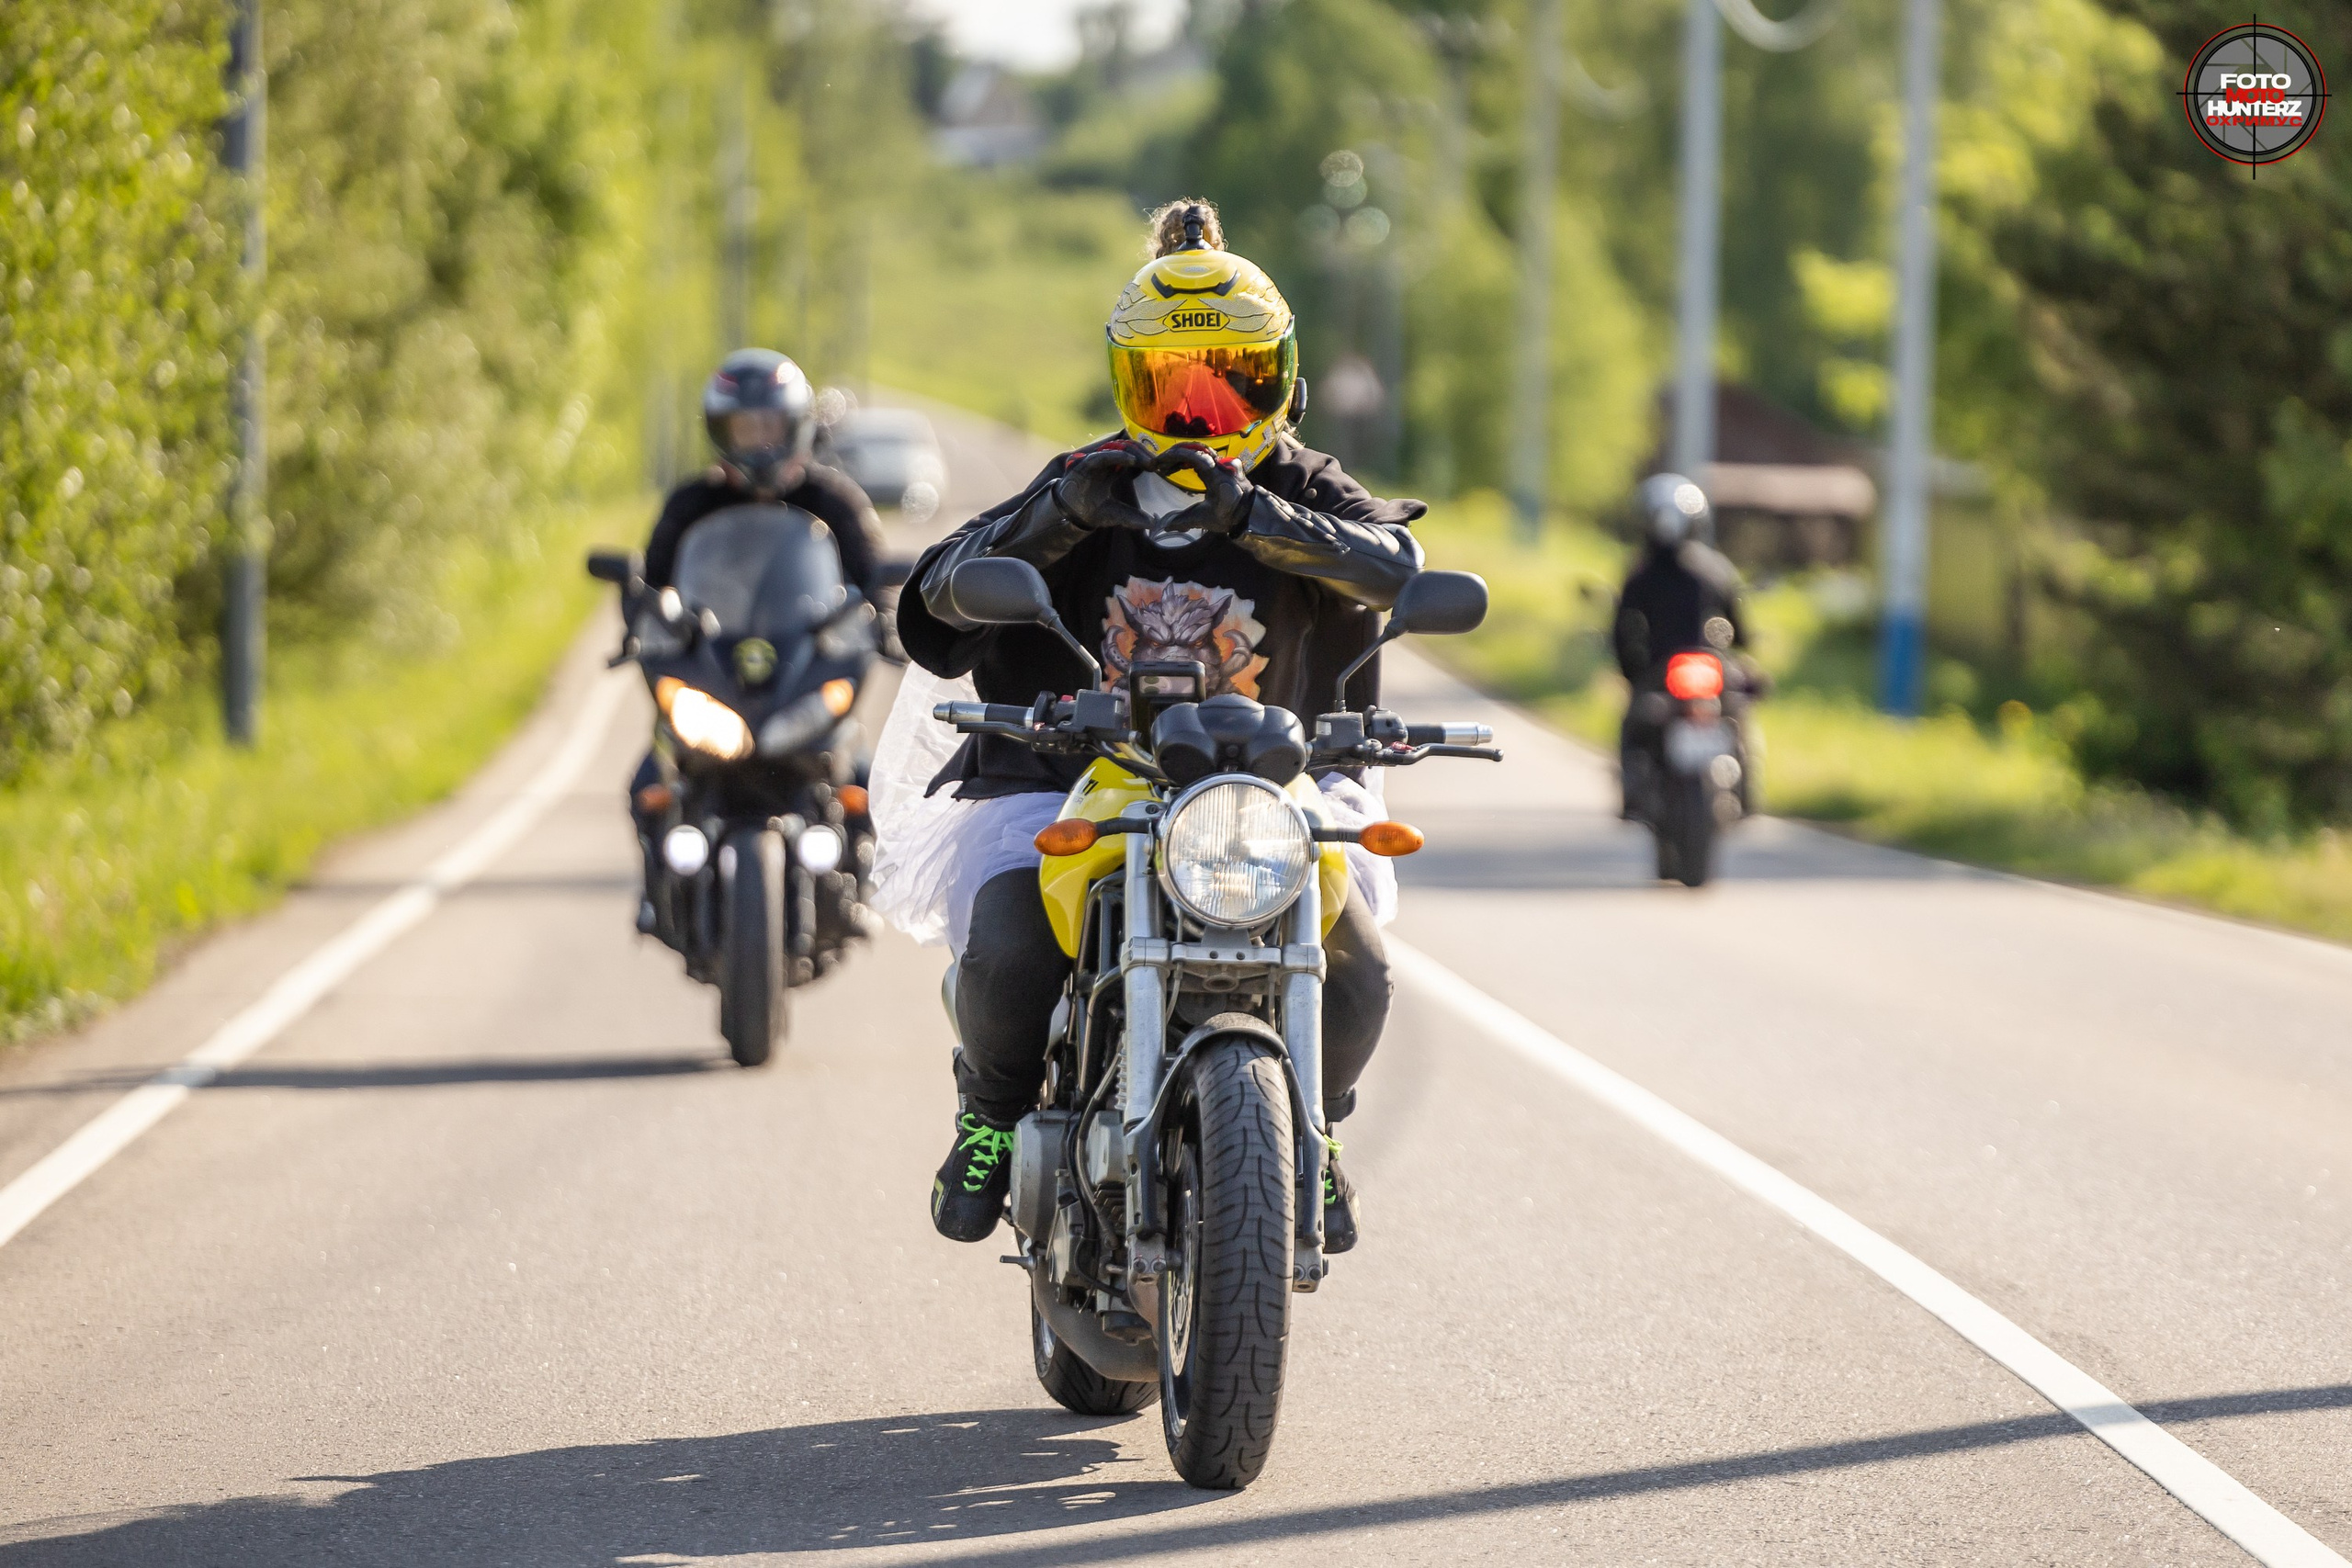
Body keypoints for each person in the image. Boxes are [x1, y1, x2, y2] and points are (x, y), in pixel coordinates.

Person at [891, 199, 1424, 1251]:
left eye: (1227, 380)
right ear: (1126, 385)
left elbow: (1393, 565)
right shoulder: (1086, 482)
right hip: (1077, 770)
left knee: (1357, 966)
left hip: (1264, 785)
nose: (1198, 413)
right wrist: (1062, 517)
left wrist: (1254, 519)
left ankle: (1313, 1137)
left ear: (1279, 381)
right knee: (1007, 938)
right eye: (1168, 386)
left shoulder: (1300, 484)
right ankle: (992, 1117)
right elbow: (932, 608)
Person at [628, 350, 891, 922]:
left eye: (769, 426)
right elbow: (652, 586)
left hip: (802, 664)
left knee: (868, 779)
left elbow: (877, 581)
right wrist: (643, 623)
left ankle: (862, 884)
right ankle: (657, 894)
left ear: (796, 426)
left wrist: (887, 621)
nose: (758, 442)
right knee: (648, 781)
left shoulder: (835, 500)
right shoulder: (692, 503)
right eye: (743, 428)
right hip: (717, 665)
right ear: (720, 433)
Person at [1611, 472, 1752, 817]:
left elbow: (1622, 632)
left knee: (1634, 723)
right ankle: (1746, 793)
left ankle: (1632, 796)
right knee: (1739, 717)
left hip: (1664, 674)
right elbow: (1740, 629)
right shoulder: (1716, 570)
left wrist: (1632, 671)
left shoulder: (1640, 574)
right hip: (1705, 671)